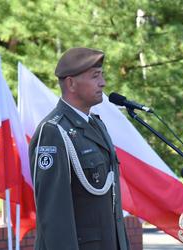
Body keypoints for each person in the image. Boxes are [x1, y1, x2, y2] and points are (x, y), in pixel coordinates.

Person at [29, 47, 130, 250]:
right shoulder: (53, 131)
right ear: (71, 83)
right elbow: (54, 214)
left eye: (102, 75)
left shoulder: (96, 125)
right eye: (95, 76)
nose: (103, 82)